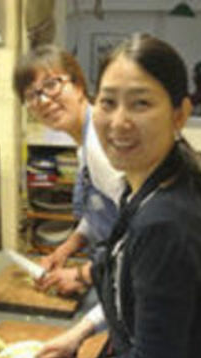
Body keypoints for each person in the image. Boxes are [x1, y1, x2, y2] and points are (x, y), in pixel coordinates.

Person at [13, 33, 201, 358]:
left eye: (140, 104)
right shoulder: (145, 188)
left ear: (180, 114)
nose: (118, 122)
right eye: (108, 102)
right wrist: (80, 332)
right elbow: (129, 286)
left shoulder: (165, 224)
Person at [13, 45, 122, 295]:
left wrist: (82, 275)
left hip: (132, 278)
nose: (43, 100)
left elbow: (138, 232)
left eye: (52, 85)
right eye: (31, 95)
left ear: (79, 85)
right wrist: (65, 249)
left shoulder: (99, 144)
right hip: (111, 270)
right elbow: (100, 212)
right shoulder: (85, 141)